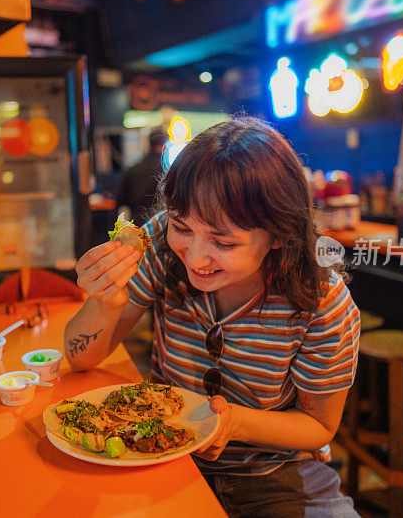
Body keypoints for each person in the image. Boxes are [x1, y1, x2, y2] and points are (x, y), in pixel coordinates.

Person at [64, 117, 360, 517]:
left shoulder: (321, 302)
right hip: (164, 458)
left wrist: (233, 422)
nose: (197, 258)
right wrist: (106, 301)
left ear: (278, 234)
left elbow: (319, 426)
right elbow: (80, 357)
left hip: (274, 475)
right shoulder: (162, 245)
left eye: (222, 241)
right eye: (182, 227)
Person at [115, 128, 169, 227]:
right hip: (161, 227)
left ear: (148, 144)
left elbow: (120, 201)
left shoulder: (133, 169)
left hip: (137, 226)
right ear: (165, 145)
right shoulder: (168, 171)